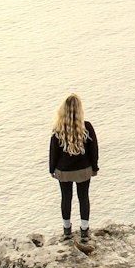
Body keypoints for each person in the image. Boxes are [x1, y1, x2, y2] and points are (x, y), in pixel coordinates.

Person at [49, 94, 99, 245]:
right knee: (83, 198)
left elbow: (53, 152)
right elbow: (94, 150)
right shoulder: (87, 127)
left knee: (66, 198)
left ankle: (67, 230)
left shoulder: (58, 130)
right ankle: (84, 231)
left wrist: (52, 169)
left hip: (64, 171)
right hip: (83, 170)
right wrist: (95, 167)